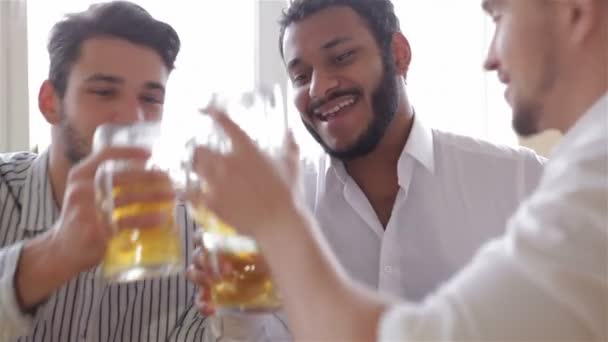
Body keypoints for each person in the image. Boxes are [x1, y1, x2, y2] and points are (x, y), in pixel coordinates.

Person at [188, 0, 608, 339]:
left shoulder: (528, 182)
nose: (320, 87)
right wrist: (236, 310)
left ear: (399, 54)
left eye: (342, 57)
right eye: (301, 75)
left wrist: (279, 226)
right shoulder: (277, 210)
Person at [0, 2, 210, 340]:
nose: (132, 117)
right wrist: (54, 253)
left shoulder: (190, 231)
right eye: (104, 91)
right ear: (50, 102)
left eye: (150, 98)